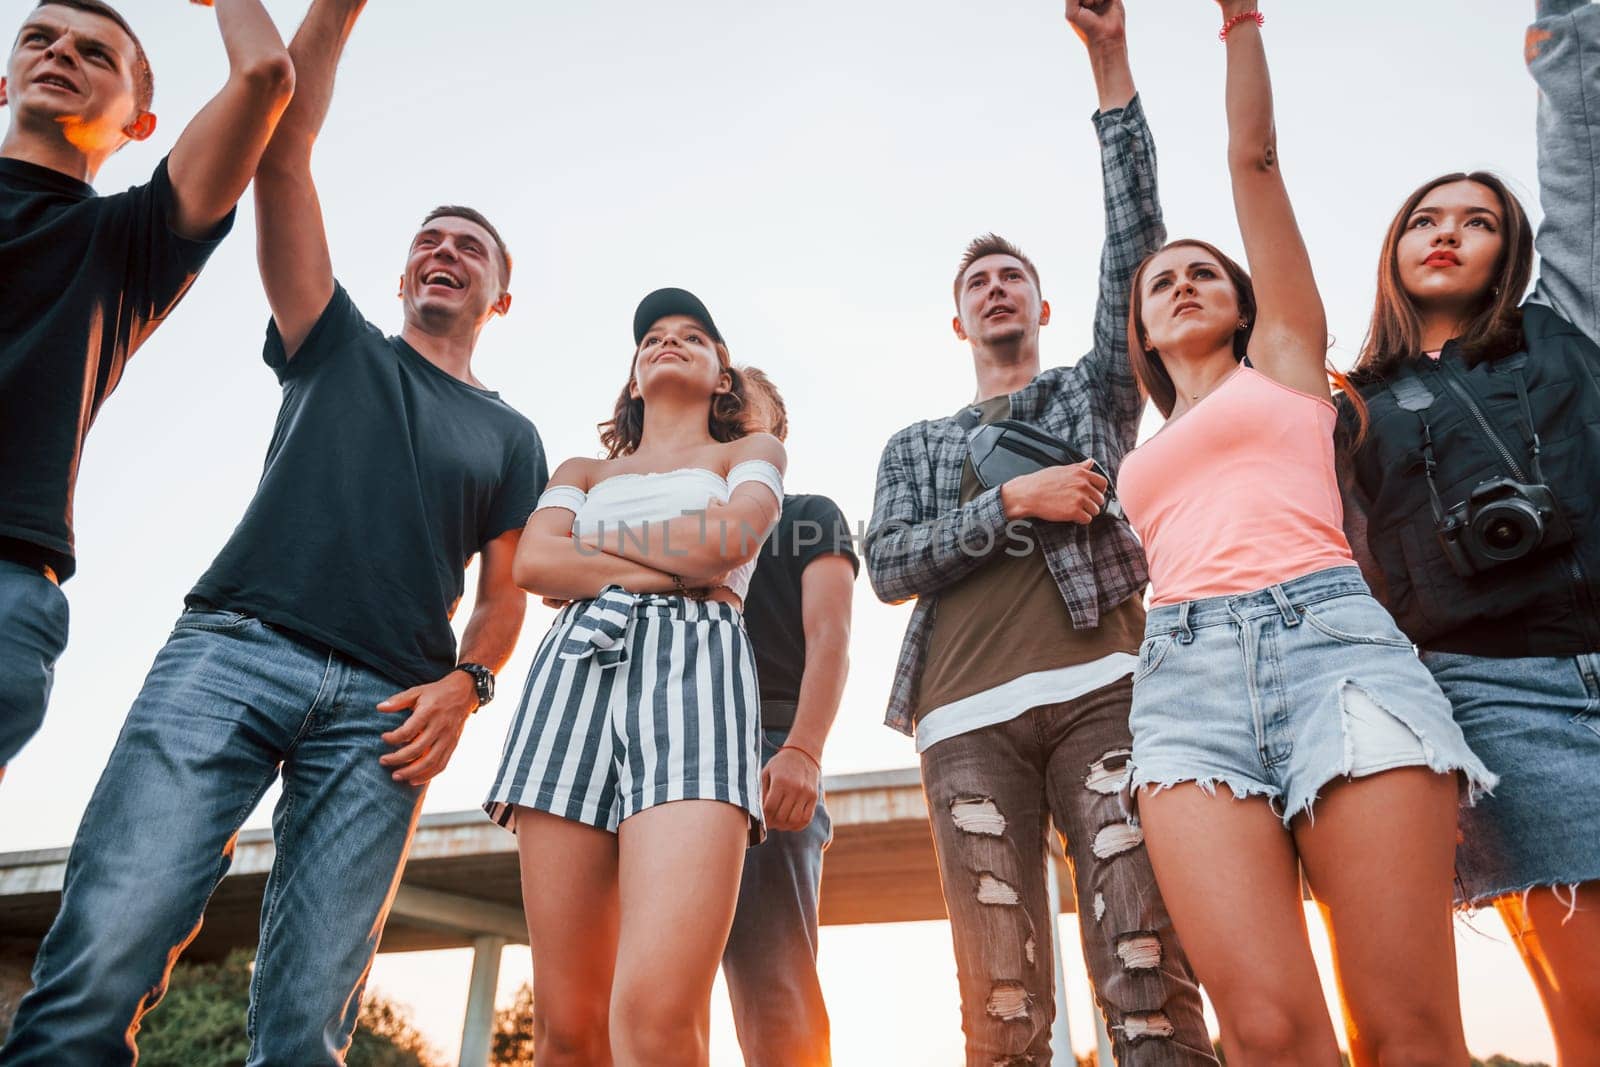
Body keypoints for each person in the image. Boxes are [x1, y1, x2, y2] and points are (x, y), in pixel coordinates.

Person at [0, 0, 545, 1062]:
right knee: (100, 959)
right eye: (428, 239)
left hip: (387, 715)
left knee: (305, 1028)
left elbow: (506, 592)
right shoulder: (331, 335)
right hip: (232, 653)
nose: (444, 250)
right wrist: (337, 12)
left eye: (469, 246)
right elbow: (281, 153)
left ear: (501, 295)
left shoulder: (513, 437)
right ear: (400, 274)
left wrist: (468, 683)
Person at [1114, 3, 1496, 1063]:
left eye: (1203, 272)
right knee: (1270, 1032)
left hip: (1332, 652)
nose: (1184, 281)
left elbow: (1255, 162)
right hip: (1183, 684)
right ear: (1137, 328)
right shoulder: (1138, 450)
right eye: (1159, 280)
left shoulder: (1281, 365)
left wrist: (1239, 24)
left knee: (1404, 1028)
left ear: (1241, 303)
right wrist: (1105, 68)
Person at [864, 2, 1212, 1061]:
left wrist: (1109, 68)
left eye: (1012, 274)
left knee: (1146, 965)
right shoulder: (916, 442)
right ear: (956, 320)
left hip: (1102, 693)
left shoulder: (1091, 397)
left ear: (1046, 308)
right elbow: (887, 563)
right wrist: (1010, 502)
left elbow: (1134, 241)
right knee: (1001, 1002)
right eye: (976, 281)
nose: (994, 285)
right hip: (959, 719)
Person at [1338, 2, 1600, 1059]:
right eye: (1422, 217)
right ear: (1392, 250)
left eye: (1476, 218)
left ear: (1513, 250)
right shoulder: (1349, 405)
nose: (1446, 229)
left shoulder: (1568, 323)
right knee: (1588, 1000)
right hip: (1498, 697)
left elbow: (1578, 137)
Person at [485, 288, 785, 1067]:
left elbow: (727, 540)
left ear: (723, 375)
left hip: (699, 670)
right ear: (631, 377)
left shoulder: (748, 453)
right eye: (653, 336)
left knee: (653, 1018)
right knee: (567, 1028)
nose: (668, 341)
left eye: (692, 336)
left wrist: (599, 553)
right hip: (574, 672)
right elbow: (533, 562)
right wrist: (674, 558)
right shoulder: (581, 466)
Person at [0, 0, 295, 778]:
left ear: (140, 123)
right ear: (4, 84)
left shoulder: (131, 241)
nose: (60, 51)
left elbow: (265, 76)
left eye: (95, 55)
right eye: (38, 38)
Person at [720, 366, 856, 1067]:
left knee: (774, 993)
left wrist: (802, 748)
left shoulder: (809, 514)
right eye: (721, 390)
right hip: (661, 748)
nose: (728, 392)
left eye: (746, 390)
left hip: (767, 748)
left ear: (780, 432)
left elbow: (830, 637)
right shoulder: (676, 516)